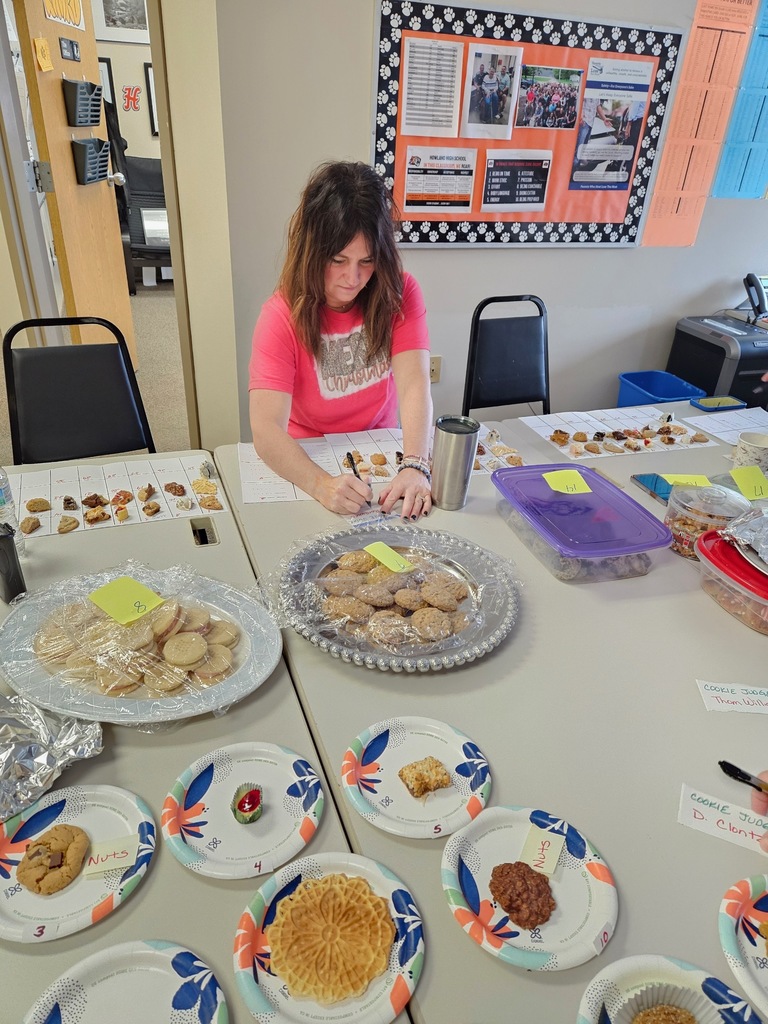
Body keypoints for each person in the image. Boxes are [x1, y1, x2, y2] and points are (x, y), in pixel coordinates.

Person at [249, 161, 433, 520]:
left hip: (383, 449)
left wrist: (416, 464)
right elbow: (266, 428)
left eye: (367, 261)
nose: (354, 278)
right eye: (338, 260)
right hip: (307, 456)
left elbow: (415, 384)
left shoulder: (400, 292)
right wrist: (319, 484)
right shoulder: (279, 315)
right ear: (312, 252)